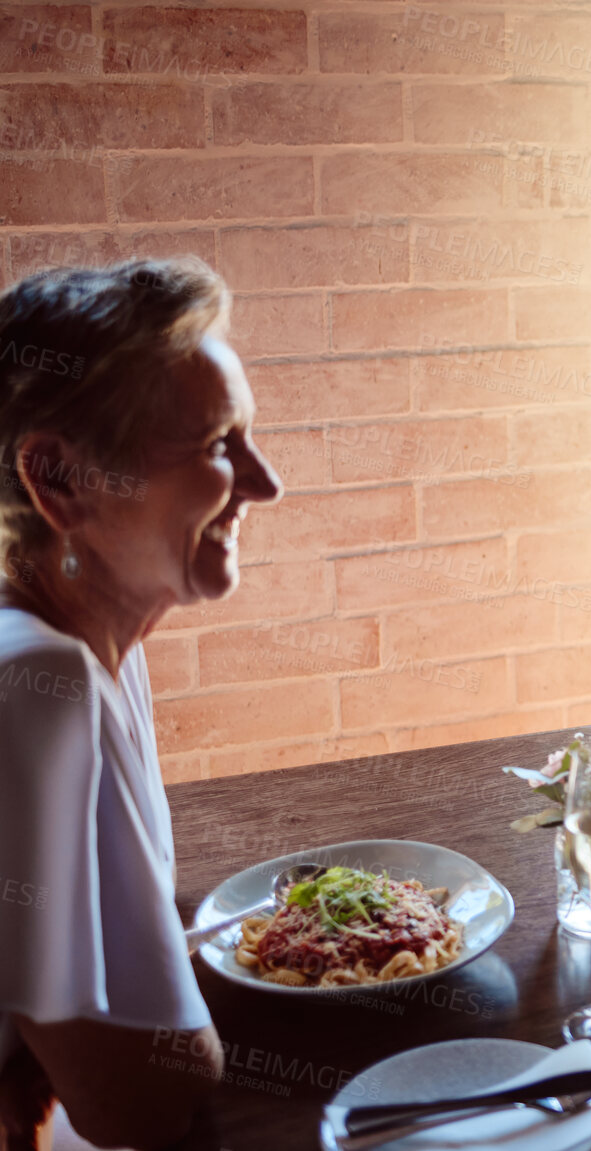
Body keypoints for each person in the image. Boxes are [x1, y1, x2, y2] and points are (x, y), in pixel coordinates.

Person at [0, 258, 283, 1150]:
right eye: (215, 446)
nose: (263, 482)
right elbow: (142, 1100)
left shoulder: (95, 647)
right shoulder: (41, 686)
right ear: (60, 481)